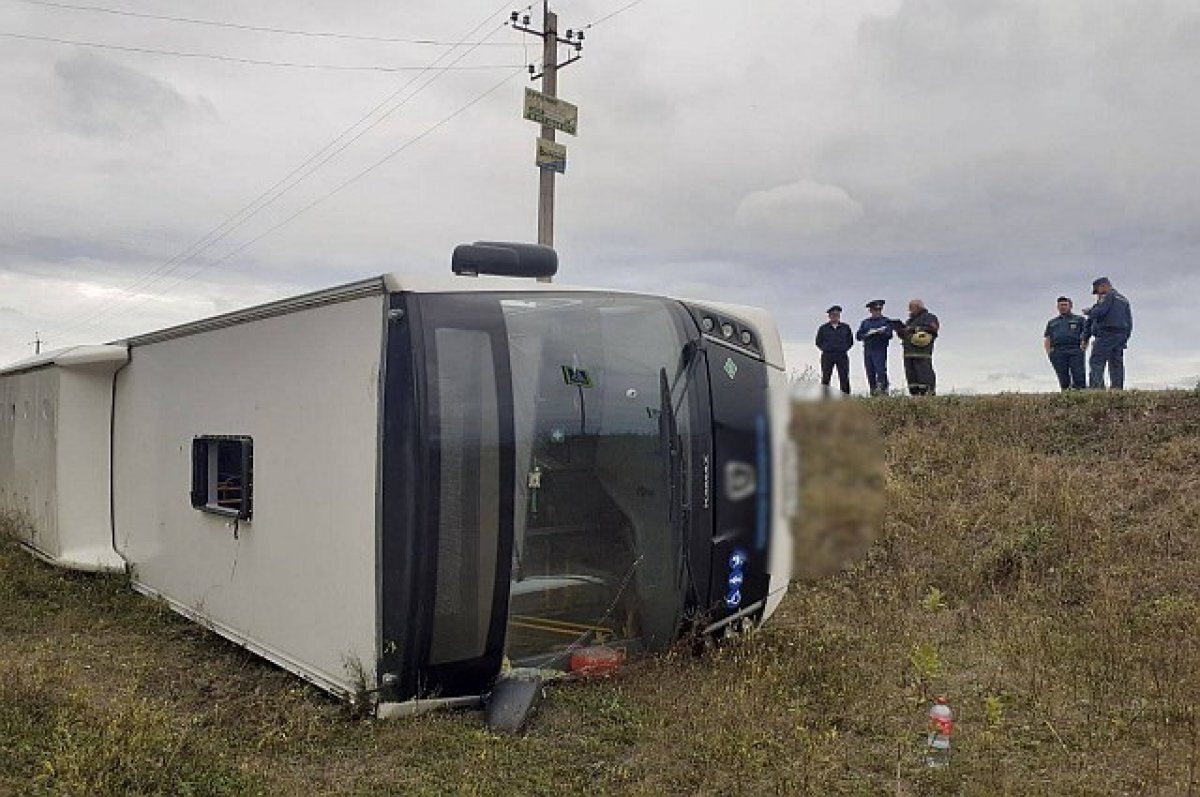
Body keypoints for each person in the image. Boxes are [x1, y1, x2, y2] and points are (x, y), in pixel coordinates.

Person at [1083, 277, 1133, 390]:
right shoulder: (1124, 299)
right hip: (1121, 335)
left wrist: (1089, 312)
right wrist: (1125, 338)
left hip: (1106, 334)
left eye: (1097, 291)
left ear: (1104, 286)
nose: (1097, 295)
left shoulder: (1108, 296)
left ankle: (1097, 388)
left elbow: (1101, 312)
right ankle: (1117, 388)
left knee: (1096, 361)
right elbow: (1129, 321)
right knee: (1116, 363)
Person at [1043, 296, 1087, 390]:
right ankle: (1066, 396)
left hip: (1074, 350)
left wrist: (1083, 348)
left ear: (1070, 306)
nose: (1063, 307)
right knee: (1063, 377)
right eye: (1060, 305)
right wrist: (1049, 352)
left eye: (1065, 305)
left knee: (1078, 376)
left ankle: (1081, 397)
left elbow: (1086, 334)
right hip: (1058, 351)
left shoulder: (1079, 320)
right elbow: (1048, 338)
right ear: (1057, 307)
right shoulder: (1052, 322)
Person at [897, 299, 939, 396]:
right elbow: (904, 335)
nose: (910, 310)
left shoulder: (929, 317)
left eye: (911, 308)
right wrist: (900, 331)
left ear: (919, 307)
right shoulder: (909, 321)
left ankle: (928, 395)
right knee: (912, 378)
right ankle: (915, 397)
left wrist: (915, 329)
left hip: (922, 353)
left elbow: (933, 329)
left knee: (924, 375)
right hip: (908, 353)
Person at [856, 299, 893, 395]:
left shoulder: (886, 321)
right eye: (875, 310)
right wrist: (867, 334)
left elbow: (889, 335)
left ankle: (884, 391)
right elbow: (858, 336)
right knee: (870, 372)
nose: (877, 312)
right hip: (868, 349)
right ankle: (873, 393)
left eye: (879, 310)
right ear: (870, 311)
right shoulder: (865, 322)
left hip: (880, 349)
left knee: (880, 371)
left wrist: (882, 332)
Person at [815, 305, 854, 395]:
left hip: (841, 355)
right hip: (827, 355)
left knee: (844, 377)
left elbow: (850, 341)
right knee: (826, 377)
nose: (834, 317)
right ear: (829, 316)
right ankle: (825, 398)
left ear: (839, 316)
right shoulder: (823, 328)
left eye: (836, 315)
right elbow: (818, 342)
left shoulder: (845, 327)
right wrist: (826, 348)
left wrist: (844, 348)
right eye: (832, 315)